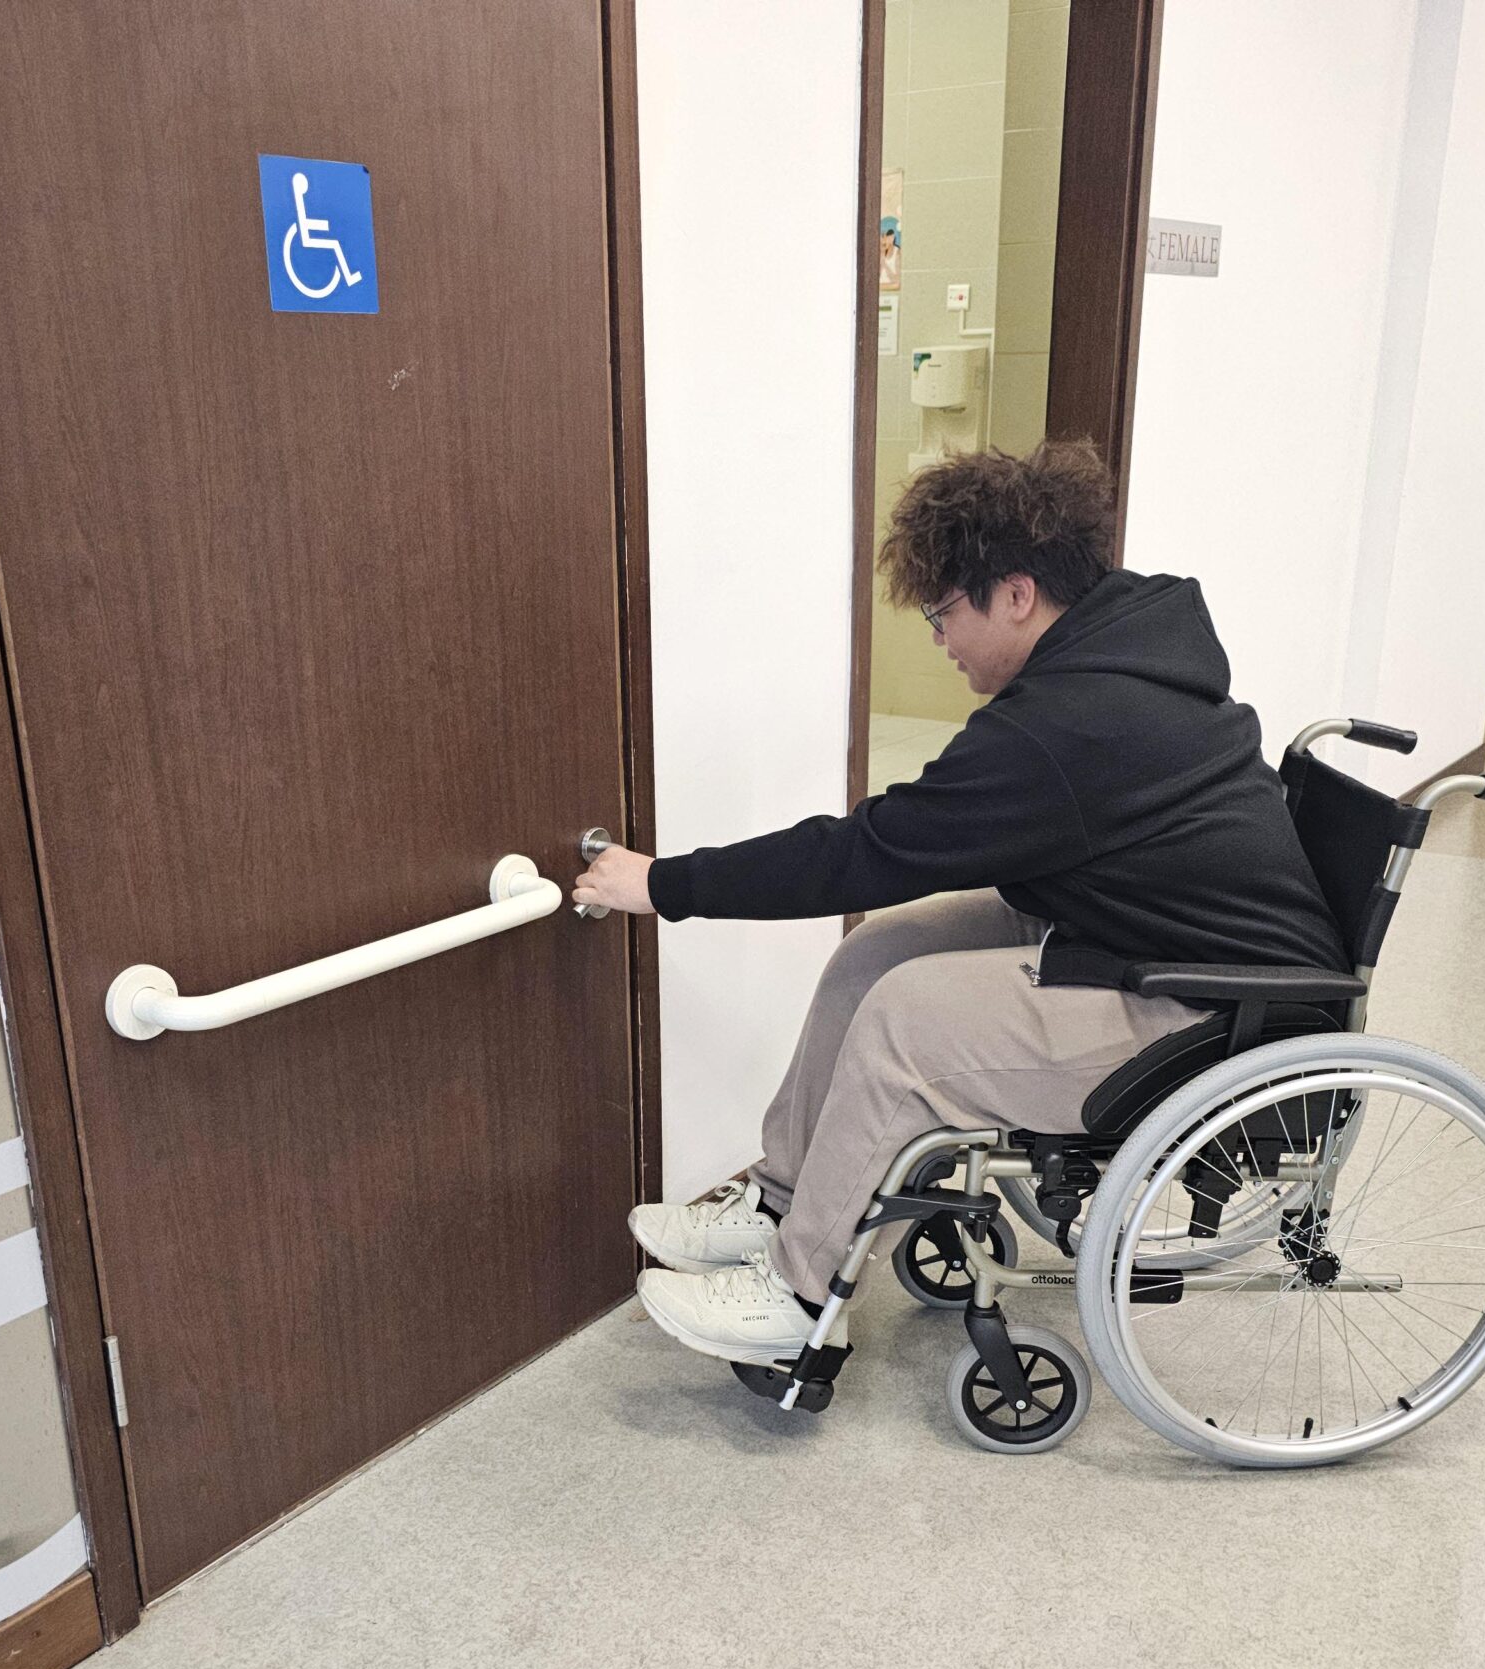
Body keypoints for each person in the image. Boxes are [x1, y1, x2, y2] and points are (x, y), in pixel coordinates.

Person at [571, 441, 1344, 1367]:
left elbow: (865, 852)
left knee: (907, 1021)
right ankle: (782, 1201)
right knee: (881, 953)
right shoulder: (1123, 650)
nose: (940, 641)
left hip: (1212, 1008)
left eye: (944, 614)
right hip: (1145, 932)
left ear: (1016, 594)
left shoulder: (1069, 723)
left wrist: (663, 884)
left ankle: (799, 1295)